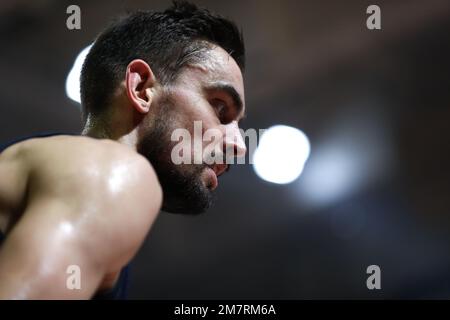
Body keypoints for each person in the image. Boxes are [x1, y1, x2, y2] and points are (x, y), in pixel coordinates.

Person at [0, 1, 246, 299]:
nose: (239, 145)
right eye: (220, 108)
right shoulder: (114, 171)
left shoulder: (51, 164)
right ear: (141, 88)